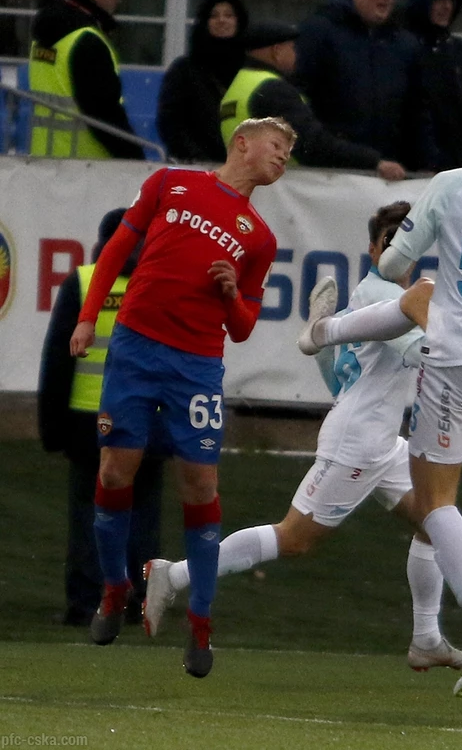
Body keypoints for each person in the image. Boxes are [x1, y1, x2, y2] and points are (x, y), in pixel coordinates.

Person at [298, 94, 462, 698]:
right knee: (421, 299)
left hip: (458, 358)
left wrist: (442, 277)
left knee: (434, 503)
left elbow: (395, 260)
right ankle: (322, 334)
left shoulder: (452, 183)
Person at [142, 201, 462, 673]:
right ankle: (173, 575)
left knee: (433, 521)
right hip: (357, 443)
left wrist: (319, 341)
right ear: (373, 249)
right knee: (294, 538)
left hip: (381, 441)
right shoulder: (383, 294)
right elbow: (426, 353)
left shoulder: (389, 297)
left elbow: (341, 380)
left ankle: (426, 639)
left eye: (405, 240)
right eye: (388, 240)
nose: (397, 248)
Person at [69, 116, 296, 678]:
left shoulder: (259, 237)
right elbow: (119, 246)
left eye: (289, 153)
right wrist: (88, 317)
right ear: (242, 143)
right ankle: (114, 589)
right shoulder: (170, 183)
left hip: (195, 367)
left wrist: (230, 295)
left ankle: (200, 621)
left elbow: (243, 326)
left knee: (199, 484)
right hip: (135, 348)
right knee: (115, 471)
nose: (283, 158)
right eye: (276, 146)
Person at [38, 208, 167, 626]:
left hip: (87, 423)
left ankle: (87, 602)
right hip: (147, 423)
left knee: (89, 516)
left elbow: (59, 360)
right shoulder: (163, 285)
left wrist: (51, 427)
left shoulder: (84, 282)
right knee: (142, 516)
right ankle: (140, 601)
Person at [295, 0, 437, 177]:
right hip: (333, 170)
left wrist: (428, 163)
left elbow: (417, 110)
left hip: (392, 170)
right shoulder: (321, 33)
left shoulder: (404, 44)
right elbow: (301, 93)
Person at [220, 20, 399, 176]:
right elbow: (313, 145)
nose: (296, 55)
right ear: (277, 51)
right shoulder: (273, 90)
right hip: (283, 189)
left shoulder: (238, 87)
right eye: (292, 48)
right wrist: (373, 161)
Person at [29, 0, 144, 159]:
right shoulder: (87, 41)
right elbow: (103, 113)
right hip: (87, 162)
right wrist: (134, 158)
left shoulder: (43, 37)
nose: (118, 0)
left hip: (44, 157)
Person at [404, 0, 462, 170]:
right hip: (417, 163)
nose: (446, 7)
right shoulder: (404, 48)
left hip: (461, 160)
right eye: (438, 0)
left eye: (449, 0)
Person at [157, 0, 249, 163]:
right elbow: (170, 121)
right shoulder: (184, 69)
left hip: (244, 164)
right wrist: (195, 157)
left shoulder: (251, 68)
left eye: (229, 15)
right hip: (195, 165)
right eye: (214, 15)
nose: (221, 20)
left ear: (239, 22)